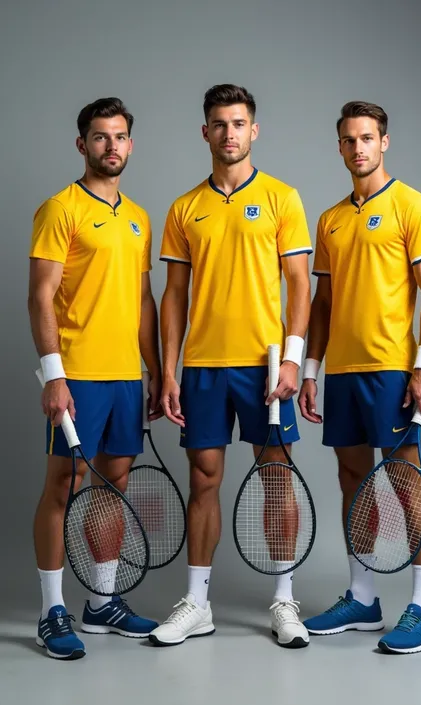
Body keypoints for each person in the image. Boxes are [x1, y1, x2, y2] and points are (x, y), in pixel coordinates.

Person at [149, 84, 313, 649]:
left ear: (254, 130)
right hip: (202, 367)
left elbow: (299, 284)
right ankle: (197, 604)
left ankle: (284, 599)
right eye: (219, 124)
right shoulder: (184, 208)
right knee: (204, 480)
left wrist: (292, 359)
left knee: (276, 478)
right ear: (205, 132)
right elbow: (173, 297)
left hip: (265, 366)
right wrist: (168, 371)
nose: (229, 133)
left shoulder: (282, 198)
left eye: (238, 123)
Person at [299, 101, 421, 655]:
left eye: (367, 138)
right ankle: (363, 598)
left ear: (384, 142)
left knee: (407, 481)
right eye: (348, 140)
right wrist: (312, 369)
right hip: (341, 370)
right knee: (352, 479)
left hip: (392, 369)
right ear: (339, 147)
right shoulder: (331, 218)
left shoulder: (413, 206)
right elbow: (323, 302)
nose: (358, 148)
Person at [28, 97, 162, 660]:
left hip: (126, 379)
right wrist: (53, 376)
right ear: (82, 144)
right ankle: (50, 612)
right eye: (101, 137)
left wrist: (155, 372)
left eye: (120, 136)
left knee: (114, 487)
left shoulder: (138, 217)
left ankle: (101, 602)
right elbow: (39, 297)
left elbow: (141, 301)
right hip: (77, 377)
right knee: (63, 487)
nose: (112, 146)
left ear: (131, 144)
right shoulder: (60, 209)